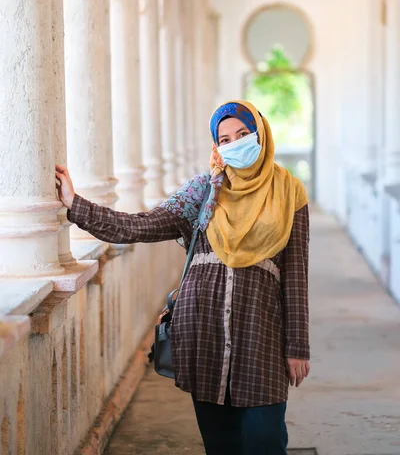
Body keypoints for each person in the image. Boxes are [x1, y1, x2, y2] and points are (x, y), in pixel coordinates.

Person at [56, 100, 310, 455]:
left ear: (260, 134)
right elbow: (142, 225)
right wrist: (76, 204)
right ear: (216, 146)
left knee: (265, 440)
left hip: (261, 333)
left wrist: (297, 347)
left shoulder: (290, 194)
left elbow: (296, 275)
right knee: (221, 445)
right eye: (225, 139)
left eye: (242, 134)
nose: (234, 143)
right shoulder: (203, 190)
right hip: (202, 331)